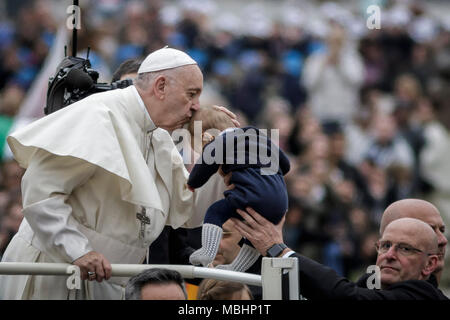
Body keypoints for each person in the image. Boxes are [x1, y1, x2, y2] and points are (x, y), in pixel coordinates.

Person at [0, 47, 233, 299]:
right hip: (56, 270)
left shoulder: (158, 135)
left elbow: (189, 209)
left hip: (108, 280)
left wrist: (220, 153)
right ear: (161, 86)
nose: (197, 106)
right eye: (191, 94)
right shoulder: (98, 114)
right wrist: (77, 250)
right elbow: (40, 192)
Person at [231, 207, 448, 300]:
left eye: (405, 248)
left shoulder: (422, 294)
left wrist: (279, 251)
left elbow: (344, 296)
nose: (389, 254)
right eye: (385, 245)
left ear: (430, 264)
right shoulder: (373, 281)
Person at [187, 107, 291, 271]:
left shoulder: (220, 141)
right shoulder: (259, 136)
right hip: (281, 201)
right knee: (252, 232)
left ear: (207, 137)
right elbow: (285, 164)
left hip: (251, 195)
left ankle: (207, 251)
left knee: (215, 212)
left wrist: (192, 183)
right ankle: (236, 268)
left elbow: (205, 165)